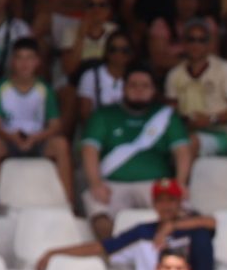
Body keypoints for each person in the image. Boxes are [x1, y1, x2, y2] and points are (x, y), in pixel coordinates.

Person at [37, 177, 217, 270]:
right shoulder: (143, 232)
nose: (167, 205)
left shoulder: (193, 226)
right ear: (154, 204)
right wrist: (54, 252)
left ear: (179, 203)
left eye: (171, 200)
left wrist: (172, 226)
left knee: (201, 235)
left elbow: (211, 222)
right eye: (161, 200)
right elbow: (100, 247)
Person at [78, 66, 195, 231]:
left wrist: (181, 183)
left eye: (145, 86)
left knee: (183, 214)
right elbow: (89, 150)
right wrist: (96, 183)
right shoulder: (103, 115)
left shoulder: (166, 115)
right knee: (98, 212)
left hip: (157, 184)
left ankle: (169, 255)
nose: (139, 90)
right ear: (124, 88)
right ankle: (113, 254)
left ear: (154, 90)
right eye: (133, 85)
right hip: (112, 184)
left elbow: (182, 150)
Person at [0, 40, 72, 209]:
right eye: (19, 58)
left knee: (60, 144)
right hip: (9, 139)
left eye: (29, 58)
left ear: (37, 62)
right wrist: (11, 137)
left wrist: (36, 138)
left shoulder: (44, 88)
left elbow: (55, 124)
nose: (24, 64)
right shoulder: (1, 87)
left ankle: (68, 204)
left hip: (37, 139)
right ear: (12, 62)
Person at [165, 22, 227, 158]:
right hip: (187, 133)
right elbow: (169, 113)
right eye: (191, 39)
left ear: (209, 44)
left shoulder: (225, 69)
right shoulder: (174, 74)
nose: (196, 44)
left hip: (225, 137)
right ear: (183, 43)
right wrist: (186, 122)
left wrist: (211, 119)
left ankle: (182, 180)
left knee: (189, 143)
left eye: (201, 40)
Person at [70, 25, 137, 131]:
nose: (118, 54)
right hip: (98, 132)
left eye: (125, 50)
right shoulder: (90, 76)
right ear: (106, 52)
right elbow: (85, 115)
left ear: (131, 54)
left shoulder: (137, 78)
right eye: (113, 49)